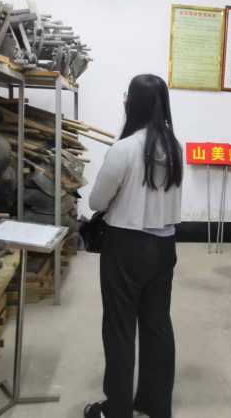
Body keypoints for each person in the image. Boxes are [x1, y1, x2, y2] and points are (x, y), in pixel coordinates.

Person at [85, 74, 183, 418]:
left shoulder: (124, 149)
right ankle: (155, 405)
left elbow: (96, 201)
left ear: (133, 103)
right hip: (164, 246)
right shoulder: (175, 147)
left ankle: (116, 409)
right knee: (157, 324)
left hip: (126, 247)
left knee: (120, 327)